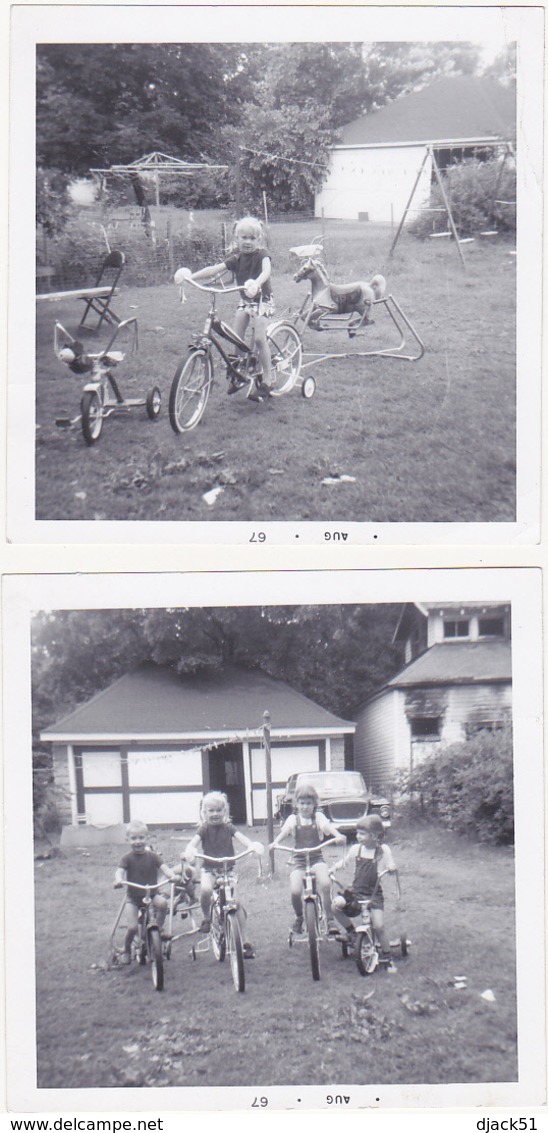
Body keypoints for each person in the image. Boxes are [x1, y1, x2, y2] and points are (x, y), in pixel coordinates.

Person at [174, 216, 275, 399]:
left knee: (259, 339)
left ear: (259, 240)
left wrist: (257, 283)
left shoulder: (262, 255)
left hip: (262, 300)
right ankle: (239, 373)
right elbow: (214, 269)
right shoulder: (236, 258)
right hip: (246, 300)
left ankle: (268, 379)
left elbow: (266, 271)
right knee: (236, 338)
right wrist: (190, 278)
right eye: (244, 238)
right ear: (237, 239)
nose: (247, 242)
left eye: (252, 238)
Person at [183, 791, 264, 959]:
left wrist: (252, 846)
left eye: (219, 810)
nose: (215, 814)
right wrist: (190, 850)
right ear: (204, 813)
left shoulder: (229, 828)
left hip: (228, 870)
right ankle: (206, 918)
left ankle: (246, 941)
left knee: (237, 903)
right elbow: (194, 842)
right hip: (209, 869)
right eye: (211, 811)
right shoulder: (204, 829)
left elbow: (242, 839)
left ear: (224, 812)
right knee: (205, 890)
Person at [269, 782, 346, 935]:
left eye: (309, 803)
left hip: (316, 858)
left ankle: (330, 920)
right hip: (299, 861)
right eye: (302, 803)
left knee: (325, 883)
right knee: (296, 891)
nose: (305, 807)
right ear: (296, 804)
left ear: (314, 804)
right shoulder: (293, 819)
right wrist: (275, 843)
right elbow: (284, 833)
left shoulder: (318, 817)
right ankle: (299, 918)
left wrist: (337, 835)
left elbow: (327, 827)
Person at [331, 813, 397, 972]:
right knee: (336, 906)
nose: (358, 836)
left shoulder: (383, 850)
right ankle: (352, 933)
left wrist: (391, 868)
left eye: (362, 833)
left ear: (374, 835)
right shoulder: (356, 849)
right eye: (358, 833)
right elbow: (345, 862)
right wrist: (333, 868)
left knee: (379, 926)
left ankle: (387, 956)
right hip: (355, 893)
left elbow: (390, 864)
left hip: (373, 895)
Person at [113, 819, 178, 965]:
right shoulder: (127, 858)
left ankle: (159, 930)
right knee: (132, 927)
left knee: (163, 904)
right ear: (127, 840)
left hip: (151, 894)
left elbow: (164, 868)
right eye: (134, 838)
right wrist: (118, 879)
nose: (138, 842)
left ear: (147, 838)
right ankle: (127, 950)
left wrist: (172, 876)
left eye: (141, 838)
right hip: (133, 898)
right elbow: (120, 871)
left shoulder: (153, 856)